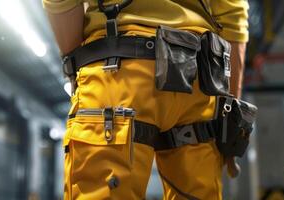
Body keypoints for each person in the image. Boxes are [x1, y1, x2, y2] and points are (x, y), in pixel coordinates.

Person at [42, 0, 249, 199]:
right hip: (199, 84)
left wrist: (76, 61)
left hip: (119, 74)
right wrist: (229, 116)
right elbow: (233, 17)